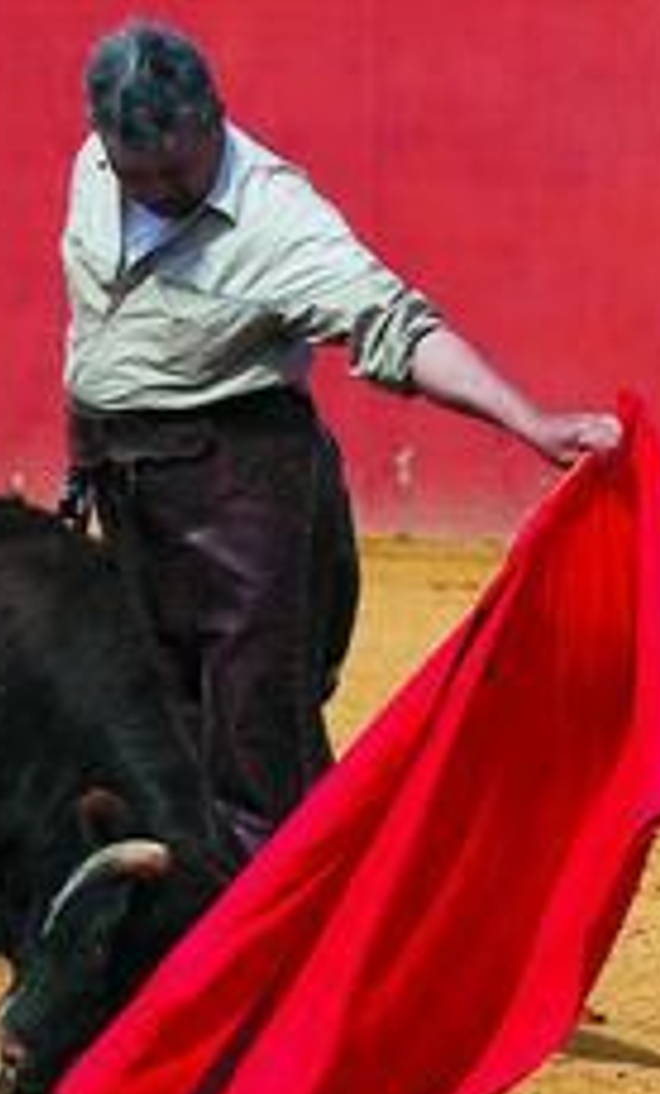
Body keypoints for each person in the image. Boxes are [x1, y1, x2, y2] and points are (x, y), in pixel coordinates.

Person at [58, 20, 622, 862]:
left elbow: (395, 324)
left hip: (241, 494)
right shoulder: (99, 163)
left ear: (215, 117)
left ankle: (287, 968)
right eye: (141, 175)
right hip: (127, 487)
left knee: (257, 752)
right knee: (156, 731)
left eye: (178, 168)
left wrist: (528, 421)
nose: (162, 189)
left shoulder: (277, 219)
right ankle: (214, 945)